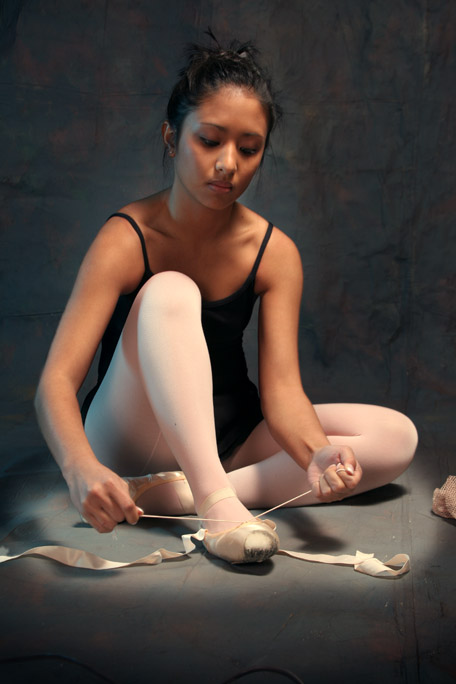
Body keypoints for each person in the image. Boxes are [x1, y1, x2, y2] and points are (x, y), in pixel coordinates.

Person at [34, 39, 418, 565]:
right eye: (209, 140)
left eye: (249, 148)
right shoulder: (126, 237)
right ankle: (215, 505)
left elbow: (282, 393)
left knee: (395, 437)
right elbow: (55, 384)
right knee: (171, 291)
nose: (227, 164)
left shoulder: (274, 252)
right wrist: (79, 467)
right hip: (127, 441)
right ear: (171, 138)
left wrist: (316, 453)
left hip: (227, 441)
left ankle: (191, 495)